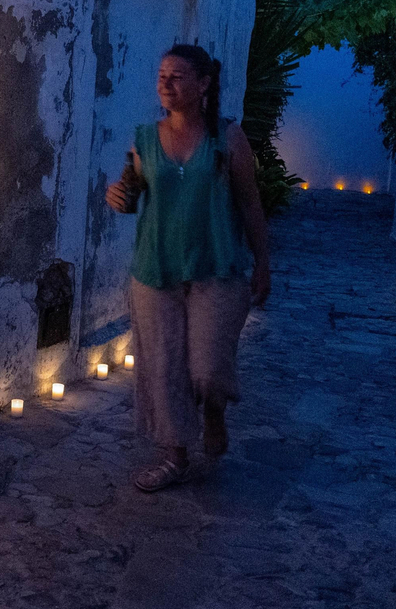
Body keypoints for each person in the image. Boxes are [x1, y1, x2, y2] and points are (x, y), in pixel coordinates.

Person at [106, 43, 271, 492]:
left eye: (178, 76)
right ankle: (173, 453)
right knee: (164, 369)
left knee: (208, 369)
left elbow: (250, 202)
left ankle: (213, 409)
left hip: (217, 270)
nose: (166, 83)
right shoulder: (144, 139)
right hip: (155, 271)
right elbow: (131, 194)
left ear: (203, 85)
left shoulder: (226, 139)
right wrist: (117, 197)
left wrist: (263, 262)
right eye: (162, 75)